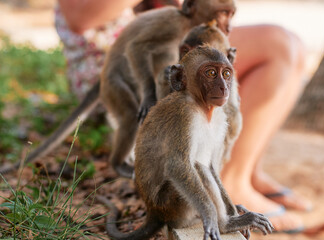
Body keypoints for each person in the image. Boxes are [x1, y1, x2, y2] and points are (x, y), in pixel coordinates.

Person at [56, 0, 310, 233]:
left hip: (167, 46)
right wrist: (211, 217)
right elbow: (80, 16)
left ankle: (248, 170)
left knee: (294, 45)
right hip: (114, 66)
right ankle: (232, 181)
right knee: (278, 44)